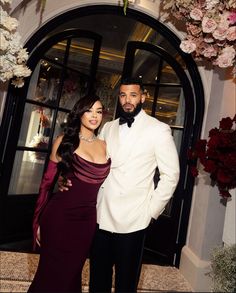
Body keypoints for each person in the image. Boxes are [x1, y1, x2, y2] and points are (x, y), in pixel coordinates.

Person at [59, 78, 180, 293]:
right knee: (98, 277)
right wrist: (69, 179)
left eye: (133, 95)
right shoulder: (109, 126)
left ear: (143, 97)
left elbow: (171, 175)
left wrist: (151, 212)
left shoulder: (158, 129)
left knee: (126, 282)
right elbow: (93, 160)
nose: (127, 100)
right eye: (123, 95)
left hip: (134, 218)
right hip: (102, 213)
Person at [28, 94, 111, 293]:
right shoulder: (64, 141)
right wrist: (37, 221)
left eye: (99, 111)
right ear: (79, 114)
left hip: (87, 221)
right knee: (50, 274)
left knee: (73, 273)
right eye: (89, 110)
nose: (94, 116)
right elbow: (46, 184)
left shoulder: (105, 145)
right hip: (59, 217)